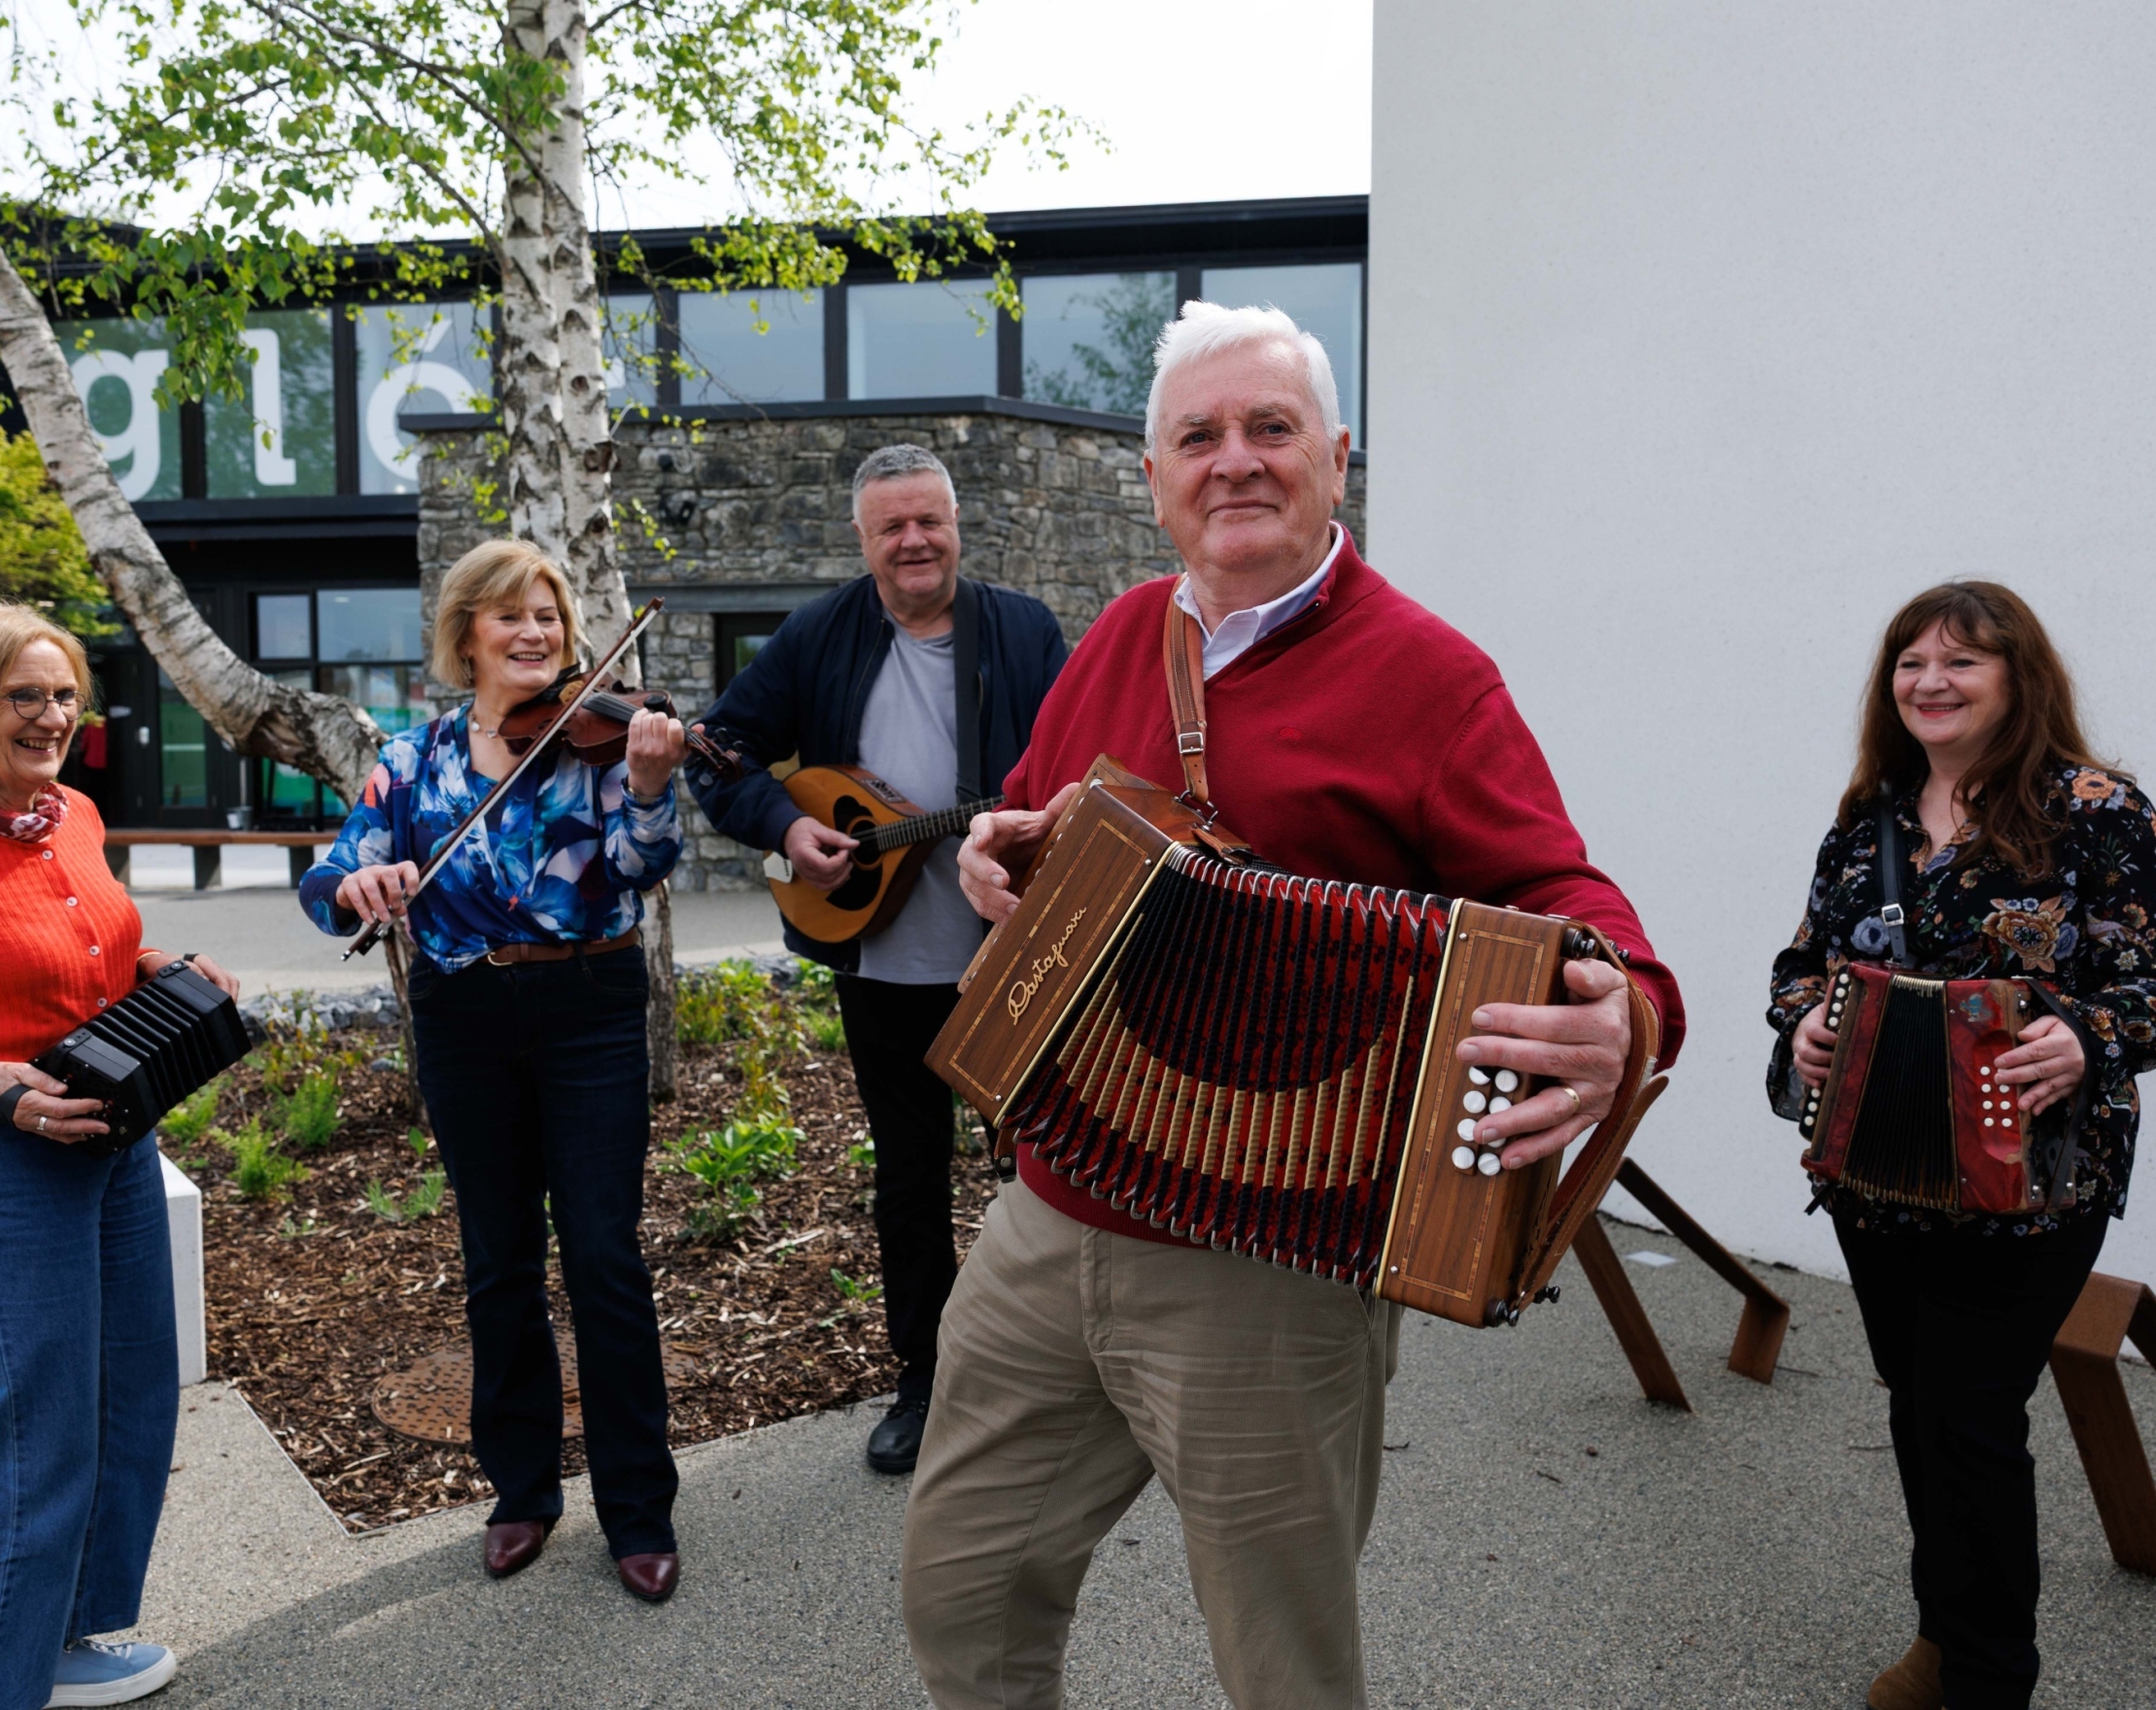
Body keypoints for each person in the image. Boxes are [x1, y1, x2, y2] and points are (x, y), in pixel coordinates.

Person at [903, 303, 1687, 1710]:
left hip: (1267, 1265)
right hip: (1050, 1212)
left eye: (1271, 429)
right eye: (1198, 437)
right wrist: (991, 848)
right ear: (1154, 480)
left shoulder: (1434, 680)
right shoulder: (1125, 635)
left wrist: (1624, 1009)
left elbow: (1579, 901)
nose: (1235, 462)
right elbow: (1036, 807)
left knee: (1282, 1665)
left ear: (1337, 456)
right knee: (962, 1592)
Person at [1769, 581, 2151, 1710]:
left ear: (2015, 675)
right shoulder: (1870, 815)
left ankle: (1986, 1675)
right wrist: (1801, 1028)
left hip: (2035, 1179)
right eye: (1909, 663)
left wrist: (2087, 1035)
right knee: (1914, 1395)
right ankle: (1944, 1637)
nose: (1928, 682)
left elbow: (2148, 972)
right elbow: (1802, 962)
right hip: (1880, 1176)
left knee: (1971, 1409)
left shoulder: (2095, 810)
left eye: (1960, 662)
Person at [298, 540, 691, 1603]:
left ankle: (639, 1509)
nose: (536, 636)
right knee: (497, 1257)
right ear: (465, 632)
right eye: (512, 617)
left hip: (590, 1004)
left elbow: (638, 869)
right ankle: (520, 1490)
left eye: (551, 619)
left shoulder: (601, 746)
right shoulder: (412, 759)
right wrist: (360, 880)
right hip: (464, 1010)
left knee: (605, 1253)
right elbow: (327, 875)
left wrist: (649, 787)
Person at [687, 444, 1068, 1474]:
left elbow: (1087, 761)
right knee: (907, 1177)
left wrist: (1041, 820)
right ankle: (925, 1377)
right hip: (884, 964)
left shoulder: (1024, 630)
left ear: (956, 523)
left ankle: (1052, 1371)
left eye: (929, 520)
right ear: (862, 540)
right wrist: (783, 826)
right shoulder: (820, 633)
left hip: (1015, 958)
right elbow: (716, 751)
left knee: (1041, 1166)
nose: (914, 541)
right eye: (892, 526)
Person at [0, 597, 241, 1710]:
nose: (52, 717)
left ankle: (56, 1640)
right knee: (29, 1436)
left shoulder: (74, 816)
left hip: (115, 1146)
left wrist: (169, 976)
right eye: (23, 696)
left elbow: (105, 954)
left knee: (128, 1399)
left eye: (63, 696)